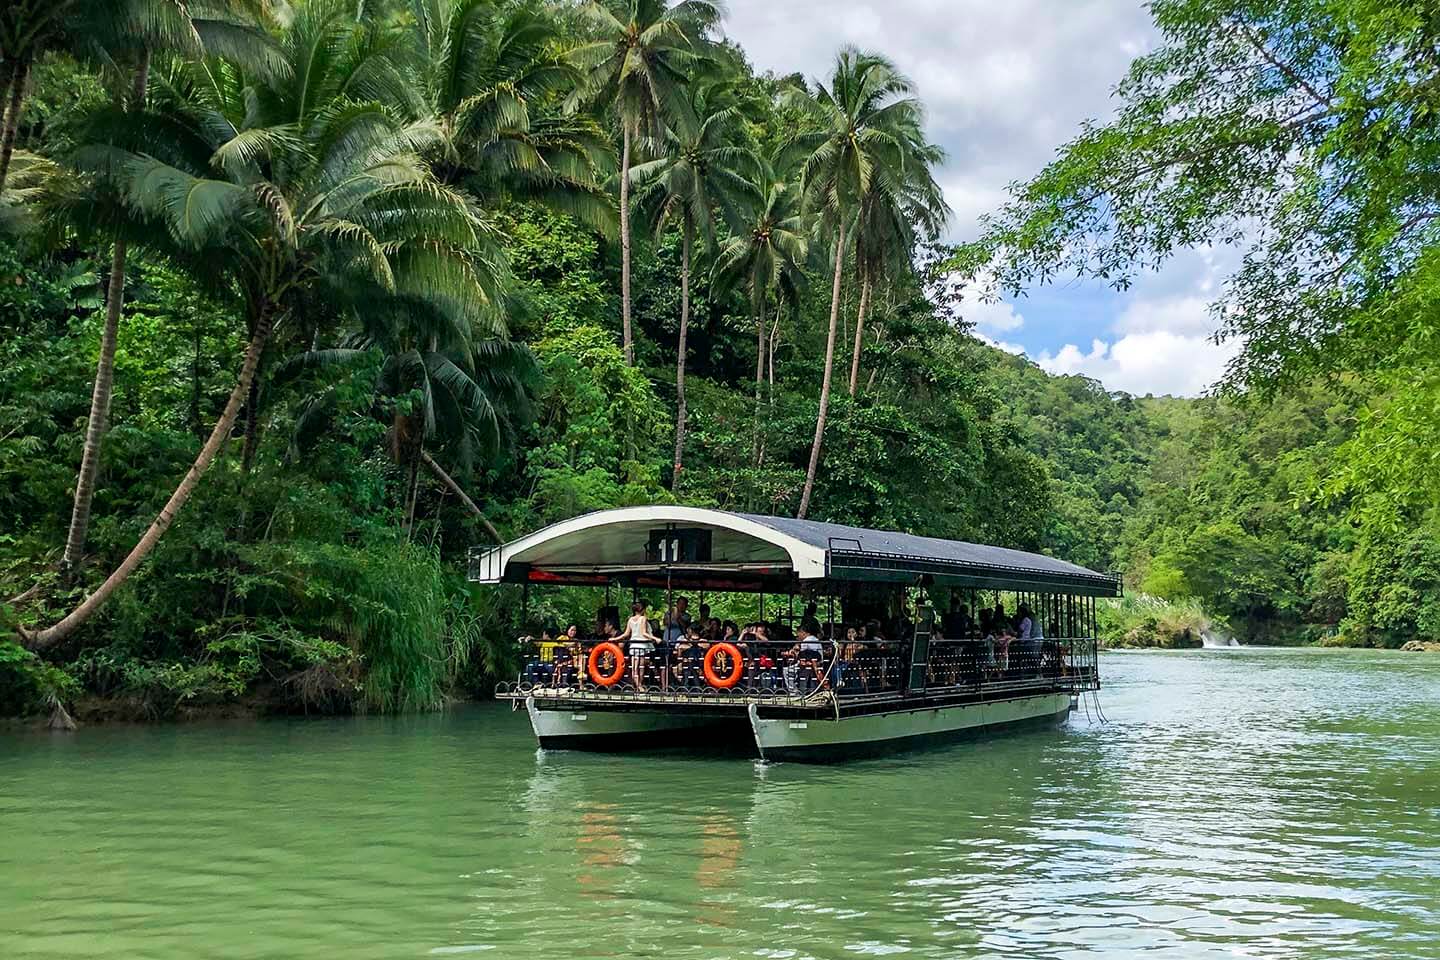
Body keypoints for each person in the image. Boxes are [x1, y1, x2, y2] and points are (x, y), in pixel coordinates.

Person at [612, 601, 660, 691]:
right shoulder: (643, 618)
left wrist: (615, 639)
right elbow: (644, 633)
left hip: (633, 645)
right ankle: (639, 685)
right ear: (642, 610)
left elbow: (626, 634)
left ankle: (638, 685)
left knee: (635, 667)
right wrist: (655, 638)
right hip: (641, 645)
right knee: (640, 667)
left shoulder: (630, 619)